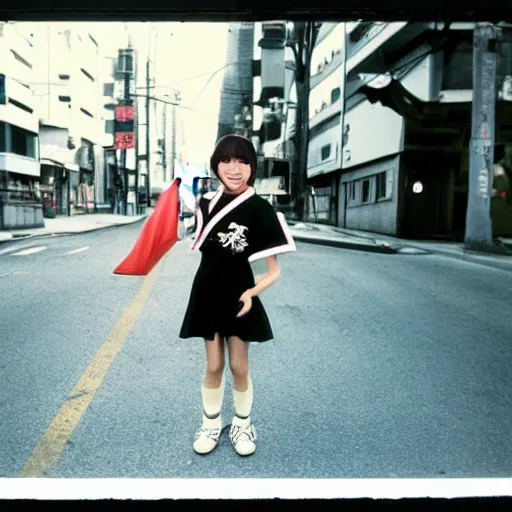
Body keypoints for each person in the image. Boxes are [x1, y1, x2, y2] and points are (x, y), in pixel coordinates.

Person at [179, 134, 296, 457]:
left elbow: (274, 271)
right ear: (215, 165)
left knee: (239, 367)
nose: (235, 168)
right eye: (227, 160)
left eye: (243, 161)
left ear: (252, 167)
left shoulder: (259, 208)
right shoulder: (205, 205)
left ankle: (242, 424)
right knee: (214, 364)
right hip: (207, 289)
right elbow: (182, 235)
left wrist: (251, 293)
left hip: (240, 293)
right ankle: (210, 423)